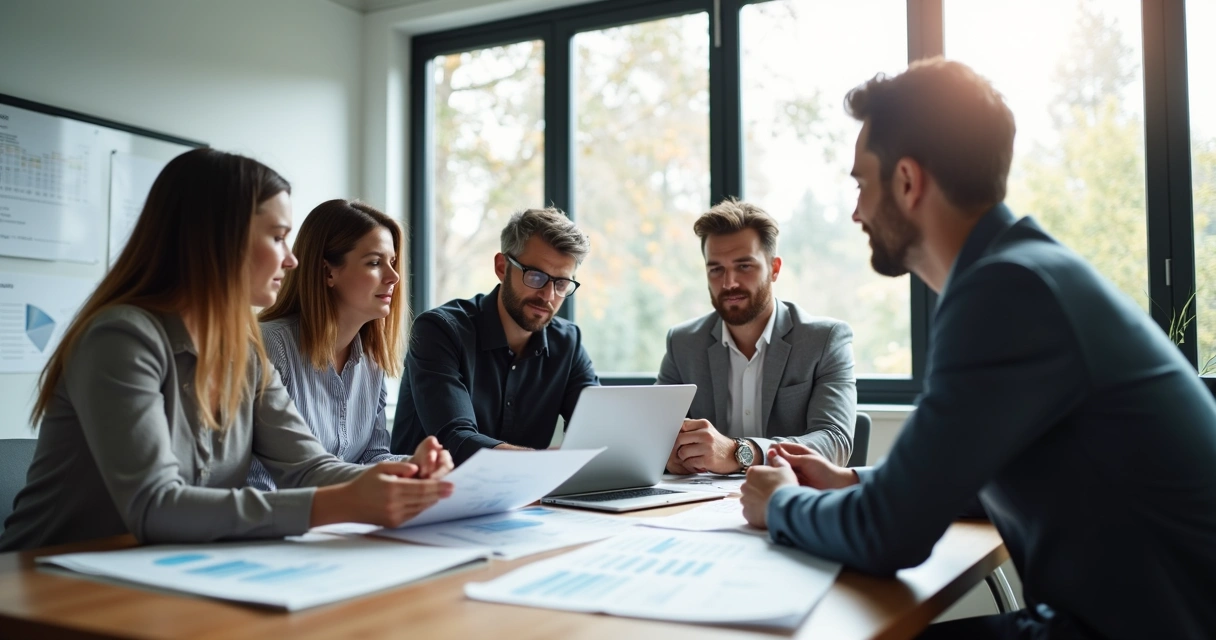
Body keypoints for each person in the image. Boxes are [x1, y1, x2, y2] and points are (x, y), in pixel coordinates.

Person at [739, 58, 1216, 639]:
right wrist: (853, 482)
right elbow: (958, 480)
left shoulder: (1005, 292)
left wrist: (781, 504)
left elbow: (889, 536)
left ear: (909, 181)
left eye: (862, 183)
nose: (857, 210)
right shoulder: (1028, 271)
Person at [0, 149, 452, 552]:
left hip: (157, 573)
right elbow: (155, 506)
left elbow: (309, 466)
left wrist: (406, 480)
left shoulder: (246, 352)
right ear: (220, 239)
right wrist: (338, 503)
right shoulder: (120, 339)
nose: (291, 260)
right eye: (277, 237)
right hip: (48, 584)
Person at [246, 199, 452, 492]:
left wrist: (417, 466)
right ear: (328, 272)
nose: (394, 277)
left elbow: (371, 458)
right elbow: (258, 479)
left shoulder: (370, 360)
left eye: (393, 262)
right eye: (375, 262)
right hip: (281, 525)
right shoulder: (269, 347)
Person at [657, 198, 856, 474]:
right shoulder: (683, 343)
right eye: (716, 269)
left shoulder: (824, 341)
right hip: (699, 505)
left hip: (788, 500)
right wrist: (669, 454)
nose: (729, 283)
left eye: (744, 266)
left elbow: (834, 442)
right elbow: (653, 434)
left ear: (774, 269)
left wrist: (739, 452)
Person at [391, 208, 599, 464]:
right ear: (502, 267)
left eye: (561, 284)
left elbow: (596, 430)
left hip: (523, 499)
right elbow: (456, 441)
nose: (548, 296)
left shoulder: (568, 343)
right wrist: (542, 462)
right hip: (430, 497)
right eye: (536, 276)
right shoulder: (439, 330)